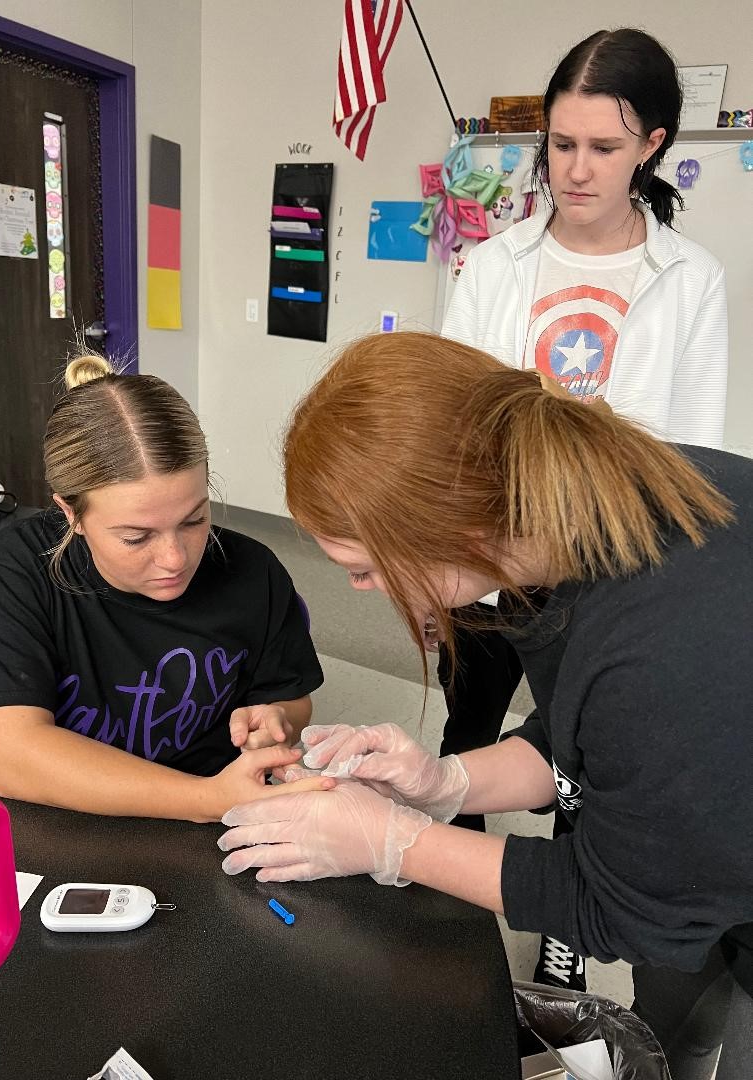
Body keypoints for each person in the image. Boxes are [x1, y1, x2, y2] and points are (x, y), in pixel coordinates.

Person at [217, 332, 753, 1079]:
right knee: (677, 1028)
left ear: (447, 527)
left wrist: (397, 844)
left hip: (707, 864)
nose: (361, 592)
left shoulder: (669, 640)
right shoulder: (572, 527)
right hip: (699, 844)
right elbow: (584, 730)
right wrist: (447, 785)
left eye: (365, 569)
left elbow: (620, 909)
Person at [439, 26, 729, 991]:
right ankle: (453, 910)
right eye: (560, 145)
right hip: (492, 552)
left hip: (610, 569)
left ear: (650, 145)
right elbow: (456, 417)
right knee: (468, 733)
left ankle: (568, 935)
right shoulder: (494, 266)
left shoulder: (691, 280)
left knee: (582, 751)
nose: (575, 169)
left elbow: (688, 456)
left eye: (603, 149)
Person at [0, 355, 332, 821]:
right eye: (136, 537)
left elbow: (291, 697)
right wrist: (205, 800)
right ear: (71, 514)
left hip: (219, 815)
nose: (175, 559)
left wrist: (276, 721)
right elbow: (15, 758)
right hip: (73, 819)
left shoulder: (253, 572)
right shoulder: (22, 565)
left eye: (195, 519)